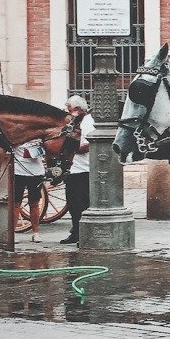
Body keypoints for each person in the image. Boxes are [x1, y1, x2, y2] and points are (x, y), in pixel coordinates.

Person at [61, 95, 94, 245]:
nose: (69, 113)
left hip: (83, 169)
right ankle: (75, 232)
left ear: (78, 109)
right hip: (73, 168)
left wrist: (71, 147)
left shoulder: (88, 122)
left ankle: (83, 235)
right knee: (72, 204)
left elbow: (88, 144)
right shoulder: (77, 121)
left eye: (70, 110)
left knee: (81, 204)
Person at [12, 138, 47, 243]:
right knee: (16, 204)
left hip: (36, 171)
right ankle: (12, 233)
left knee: (34, 203)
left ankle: (36, 233)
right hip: (18, 170)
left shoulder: (40, 135)